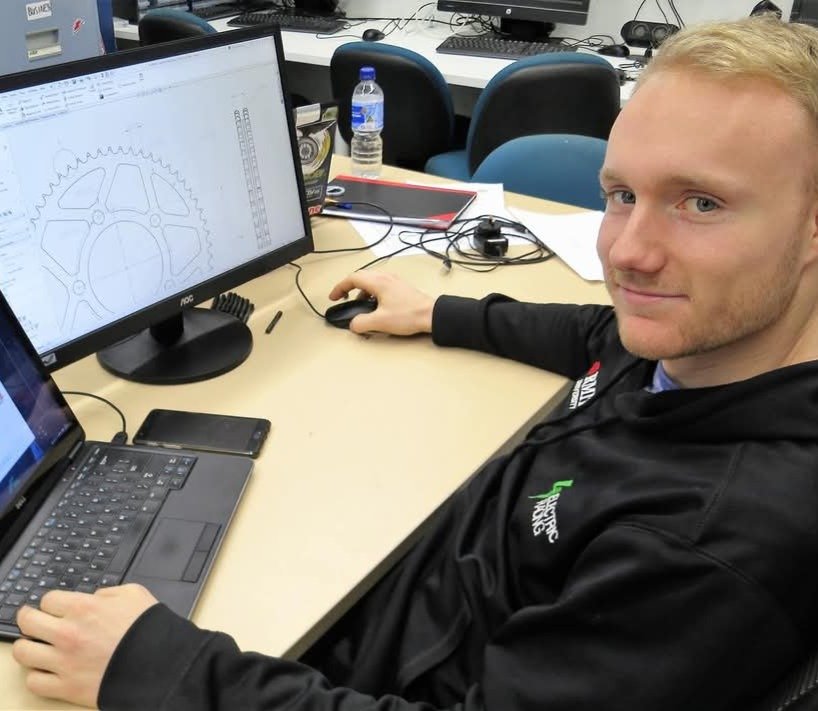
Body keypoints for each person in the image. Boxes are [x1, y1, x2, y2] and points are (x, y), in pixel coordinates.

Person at [11, 14, 818, 710]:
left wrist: (164, 671)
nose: (631, 253)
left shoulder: (708, 548)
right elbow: (601, 335)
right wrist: (438, 311)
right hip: (425, 585)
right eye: (621, 195)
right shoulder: (711, 349)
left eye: (700, 203)